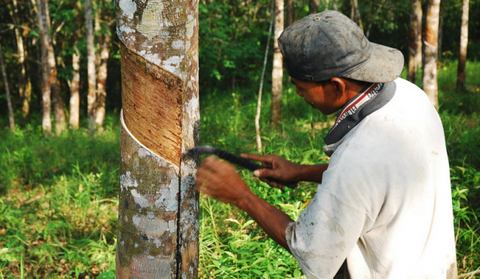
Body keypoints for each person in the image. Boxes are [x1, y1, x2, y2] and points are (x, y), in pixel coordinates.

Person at [195, 10, 457, 279]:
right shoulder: (408, 95)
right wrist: (300, 172)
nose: (297, 94)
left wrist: (240, 195)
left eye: (300, 86)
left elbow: (308, 248)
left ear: (337, 87)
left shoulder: (358, 159)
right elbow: (377, 177)